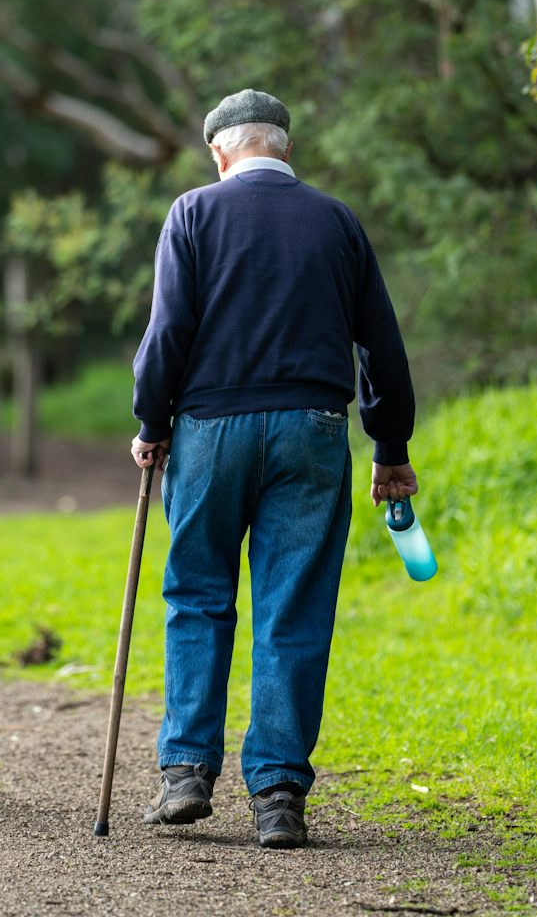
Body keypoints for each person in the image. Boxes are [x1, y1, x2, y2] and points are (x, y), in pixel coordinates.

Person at [130, 89, 418, 850]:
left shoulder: (193, 213)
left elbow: (167, 333)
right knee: (293, 604)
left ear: (220, 153)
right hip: (312, 431)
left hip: (210, 429)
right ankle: (280, 795)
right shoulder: (336, 221)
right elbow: (382, 350)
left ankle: (187, 772)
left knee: (197, 594)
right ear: (285, 149)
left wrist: (151, 422)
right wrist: (390, 448)